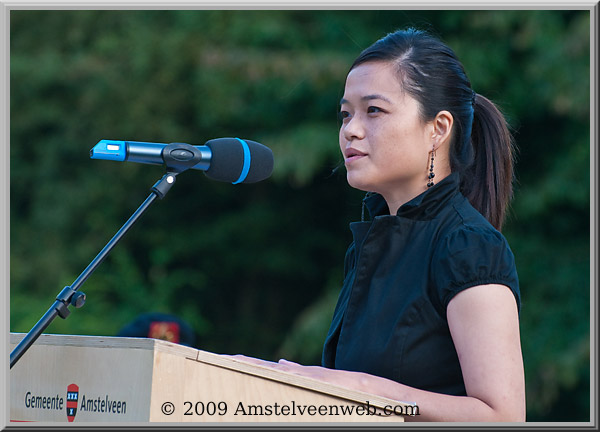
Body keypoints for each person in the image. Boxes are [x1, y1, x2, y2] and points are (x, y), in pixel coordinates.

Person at [230, 27, 525, 422]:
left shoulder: (468, 245)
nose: (350, 129)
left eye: (374, 111)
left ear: (438, 128)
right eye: (345, 114)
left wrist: (364, 389)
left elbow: (503, 417)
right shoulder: (373, 244)